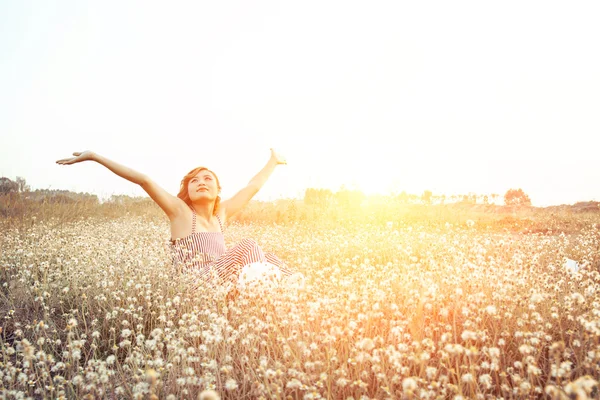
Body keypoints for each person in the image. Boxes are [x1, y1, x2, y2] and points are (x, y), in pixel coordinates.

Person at [56, 149, 300, 290]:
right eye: (194, 181)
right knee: (248, 246)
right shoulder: (181, 213)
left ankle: (296, 288)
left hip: (221, 283)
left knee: (268, 257)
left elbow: (252, 187)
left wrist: (273, 161)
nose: (201, 182)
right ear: (187, 190)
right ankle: (264, 297)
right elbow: (144, 180)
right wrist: (95, 157)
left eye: (207, 179)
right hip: (195, 286)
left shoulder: (220, 215)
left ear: (217, 189)